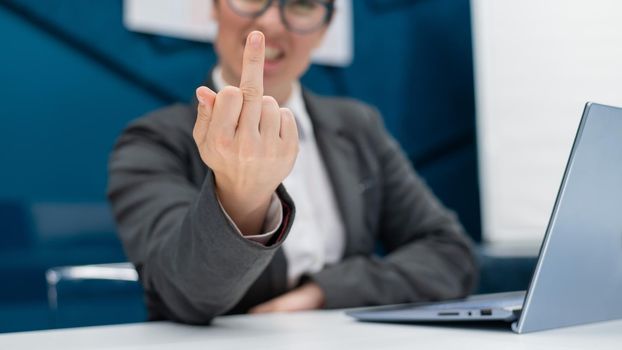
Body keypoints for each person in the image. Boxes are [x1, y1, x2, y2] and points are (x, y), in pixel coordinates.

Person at [107, 0, 478, 325]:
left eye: (301, 3)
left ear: (324, 28)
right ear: (215, 7)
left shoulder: (358, 127)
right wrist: (242, 196)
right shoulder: (154, 141)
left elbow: (450, 255)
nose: (271, 22)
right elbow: (181, 295)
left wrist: (323, 292)